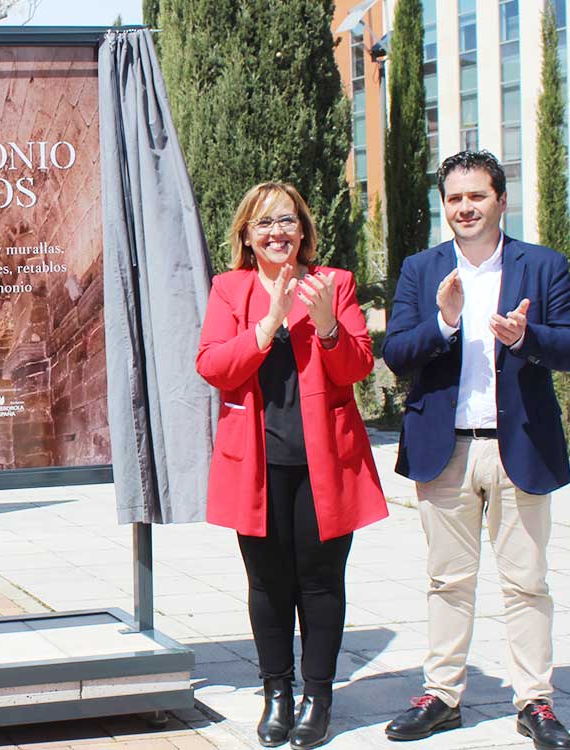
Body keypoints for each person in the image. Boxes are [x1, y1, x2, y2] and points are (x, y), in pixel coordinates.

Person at [381, 150, 570, 750]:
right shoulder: (423, 271)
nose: (465, 208)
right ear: (442, 205)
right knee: (448, 581)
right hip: (443, 450)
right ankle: (441, 695)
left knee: (526, 583)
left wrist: (529, 337)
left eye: (476, 196)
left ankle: (535, 702)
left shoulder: (542, 267)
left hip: (518, 447)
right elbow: (395, 353)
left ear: (501, 199)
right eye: (454, 199)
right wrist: (444, 323)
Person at [196, 181, 388, 749]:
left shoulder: (335, 283)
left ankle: (318, 698)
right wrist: (269, 322)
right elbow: (213, 365)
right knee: (267, 584)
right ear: (247, 237)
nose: (277, 231)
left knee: (322, 583)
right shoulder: (229, 289)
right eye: (264, 223)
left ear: (303, 229)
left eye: (287, 221)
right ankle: (276, 692)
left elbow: (356, 368)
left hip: (325, 462)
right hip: (256, 462)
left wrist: (326, 323)